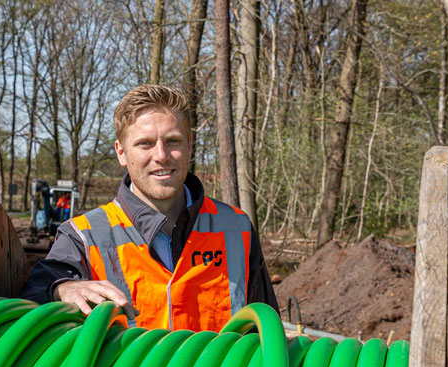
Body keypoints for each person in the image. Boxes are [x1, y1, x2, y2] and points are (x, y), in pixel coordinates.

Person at [21, 84, 278, 331]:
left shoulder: (236, 228)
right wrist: (61, 288)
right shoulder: (83, 237)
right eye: (145, 143)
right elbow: (33, 300)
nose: (161, 155)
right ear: (121, 152)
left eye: (173, 141)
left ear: (189, 145)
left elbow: (264, 330)